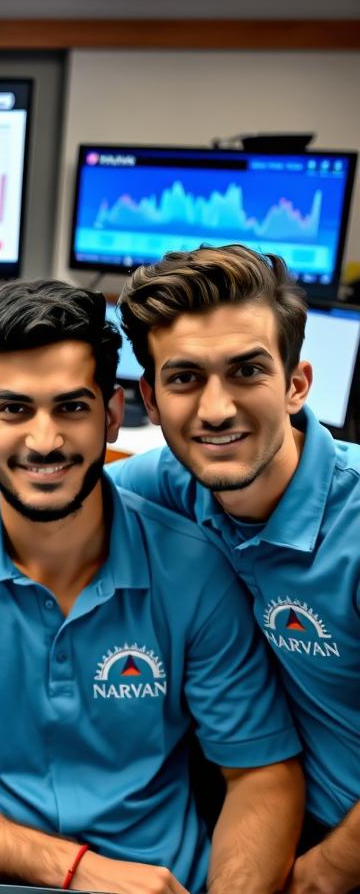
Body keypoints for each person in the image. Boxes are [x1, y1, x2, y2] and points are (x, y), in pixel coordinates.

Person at [0, 279, 304, 894]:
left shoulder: (194, 568)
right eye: (14, 409)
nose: (45, 441)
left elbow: (260, 775)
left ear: (113, 415)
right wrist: (76, 871)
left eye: (71, 407)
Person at [111, 243, 360, 894]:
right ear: (152, 398)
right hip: (265, 801)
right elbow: (17, 526)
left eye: (247, 371)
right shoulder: (170, 481)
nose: (216, 410)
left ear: (297, 383)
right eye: (185, 378)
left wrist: (324, 874)